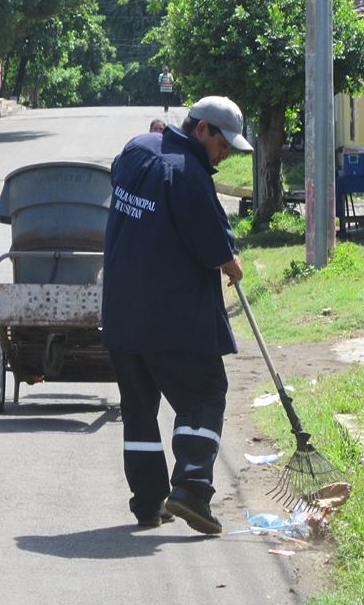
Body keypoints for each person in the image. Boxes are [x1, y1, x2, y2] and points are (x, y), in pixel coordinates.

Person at [102, 95, 252, 535]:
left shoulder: (134, 151)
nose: (225, 154)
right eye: (223, 144)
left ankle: (148, 504)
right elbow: (214, 249)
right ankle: (191, 488)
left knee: (139, 410)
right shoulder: (188, 175)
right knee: (204, 395)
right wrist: (232, 261)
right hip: (173, 318)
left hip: (122, 315)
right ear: (202, 129)